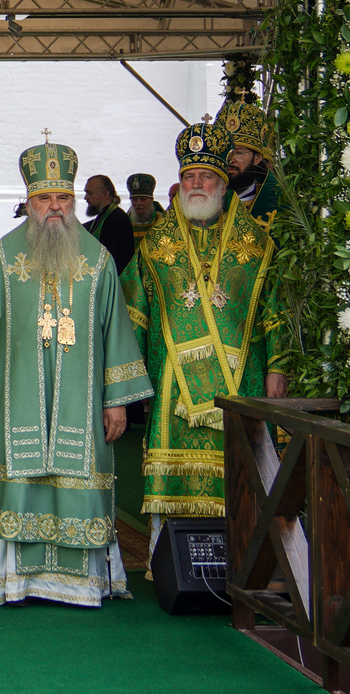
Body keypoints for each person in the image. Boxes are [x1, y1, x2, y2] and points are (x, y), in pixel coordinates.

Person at [0, 136, 153, 608]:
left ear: (73, 203)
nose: (54, 207)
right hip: (17, 400)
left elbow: (116, 333)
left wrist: (117, 402)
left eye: (63, 198)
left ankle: (81, 584)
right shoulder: (3, 257)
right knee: (22, 478)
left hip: (83, 405)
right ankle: (15, 580)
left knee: (80, 473)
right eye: (44, 198)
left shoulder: (99, 261)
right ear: (28, 202)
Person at [121, 123, 289, 549]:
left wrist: (277, 367)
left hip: (242, 381)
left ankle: (245, 552)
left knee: (241, 469)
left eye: (206, 177)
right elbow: (132, 314)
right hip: (172, 386)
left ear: (222, 182)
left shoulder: (257, 243)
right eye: (189, 177)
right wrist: (130, 380)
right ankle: (167, 556)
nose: (196, 184)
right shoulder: (155, 245)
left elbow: (275, 310)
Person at [217, 99, 281, 222]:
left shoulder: (275, 203)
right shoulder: (200, 202)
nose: (230, 159)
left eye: (239, 152)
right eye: (225, 151)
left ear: (257, 158)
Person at [82, 175, 136, 273]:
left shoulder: (118, 219)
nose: (86, 198)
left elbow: (119, 260)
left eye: (90, 193)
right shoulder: (103, 216)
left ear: (105, 194)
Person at [126, 173, 163, 243]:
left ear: (151, 200)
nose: (138, 203)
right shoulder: (124, 222)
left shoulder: (161, 220)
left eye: (143, 199)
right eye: (134, 199)